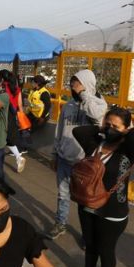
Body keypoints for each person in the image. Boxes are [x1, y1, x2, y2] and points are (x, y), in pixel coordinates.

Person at [69, 106, 134, 267]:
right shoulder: (95, 143)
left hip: (113, 210)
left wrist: (128, 129)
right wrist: (103, 128)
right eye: (107, 124)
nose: (110, 128)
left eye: (115, 126)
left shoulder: (128, 149)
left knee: (105, 248)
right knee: (90, 243)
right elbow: (79, 131)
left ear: (126, 128)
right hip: (87, 202)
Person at [47, 70, 107, 240]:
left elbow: (96, 116)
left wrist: (83, 94)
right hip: (65, 159)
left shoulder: (98, 104)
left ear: (87, 85)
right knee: (63, 195)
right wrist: (54, 154)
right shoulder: (68, 105)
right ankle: (60, 223)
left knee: (86, 202)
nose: (73, 88)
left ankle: (88, 235)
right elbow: (59, 131)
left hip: (85, 164)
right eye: (72, 85)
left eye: (77, 84)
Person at [0, 70, 26, 174]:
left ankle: (17, 157)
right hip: (13, 115)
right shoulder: (17, 89)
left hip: (3, 114)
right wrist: (21, 118)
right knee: (9, 138)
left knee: (2, 137)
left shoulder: (2, 87)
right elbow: (20, 105)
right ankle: (18, 157)